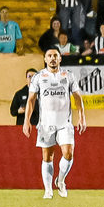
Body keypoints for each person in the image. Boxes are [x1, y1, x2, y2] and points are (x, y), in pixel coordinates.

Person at [23, 48, 86, 198]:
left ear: (60, 59)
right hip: (46, 124)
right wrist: (27, 121)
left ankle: (61, 181)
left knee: (68, 153)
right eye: (49, 56)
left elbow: (77, 97)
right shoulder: (38, 77)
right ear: (45, 59)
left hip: (65, 123)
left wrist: (82, 117)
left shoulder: (68, 76)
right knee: (47, 157)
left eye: (55, 56)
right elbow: (31, 100)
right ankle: (48, 190)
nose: (52, 58)